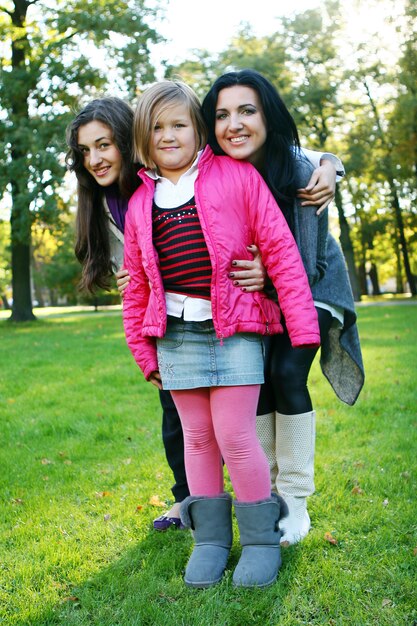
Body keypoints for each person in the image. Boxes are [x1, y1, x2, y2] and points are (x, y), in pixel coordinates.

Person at [122, 79, 320, 588]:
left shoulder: (235, 176)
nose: (168, 136)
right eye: (157, 128)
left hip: (234, 328)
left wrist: (301, 324)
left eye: (179, 125)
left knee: (236, 435)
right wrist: (144, 352)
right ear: (143, 138)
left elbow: (279, 248)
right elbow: (137, 283)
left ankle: (258, 540)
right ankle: (209, 541)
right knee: (197, 439)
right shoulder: (143, 200)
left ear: (199, 130)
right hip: (176, 337)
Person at [201, 69, 365, 546]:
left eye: (247, 111)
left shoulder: (298, 171)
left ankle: (295, 501)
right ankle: (267, 491)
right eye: (222, 115)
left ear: (267, 117)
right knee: (256, 379)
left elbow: (308, 263)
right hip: (255, 295)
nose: (235, 123)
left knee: (287, 373)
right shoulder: (214, 172)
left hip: (316, 287)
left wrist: (329, 163)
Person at [65, 97, 190, 529]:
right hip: (163, 324)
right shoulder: (105, 204)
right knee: (173, 411)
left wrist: (327, 162)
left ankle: (268, 497)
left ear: (125, 139)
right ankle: (186, 499)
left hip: (209, 312)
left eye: (103, 145)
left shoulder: (163, 174)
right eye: (85, 151)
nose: (95, 160)